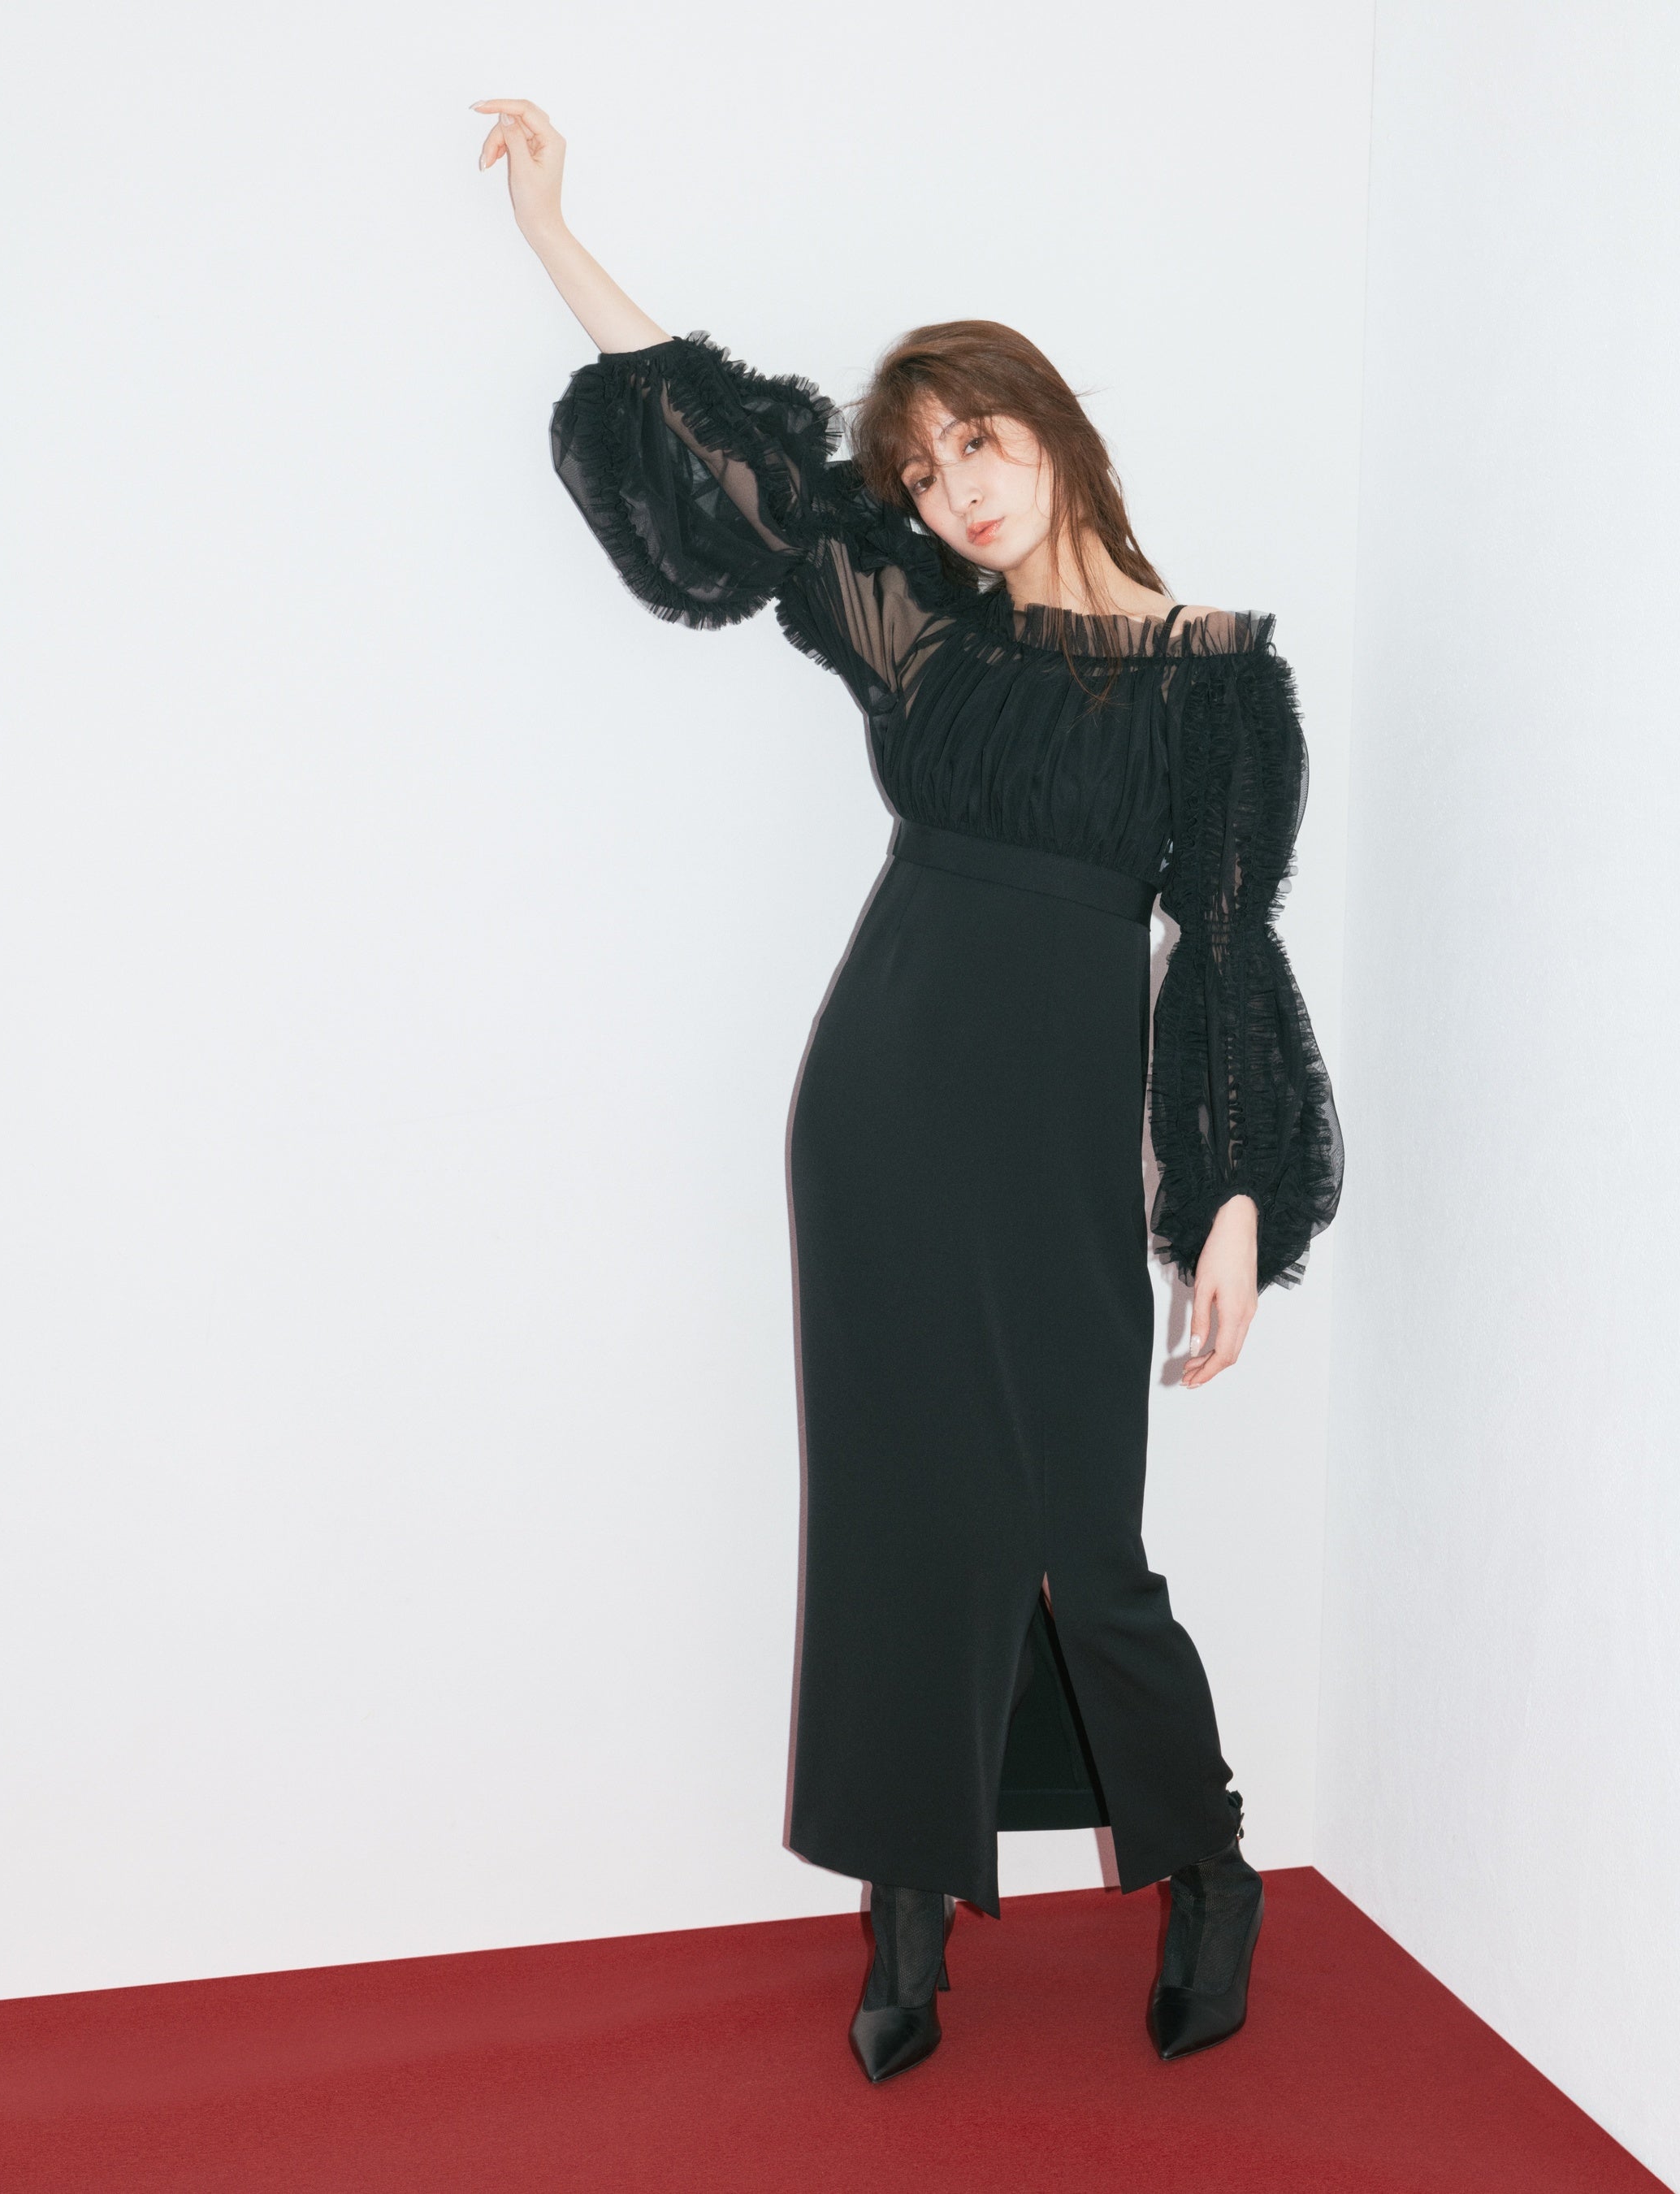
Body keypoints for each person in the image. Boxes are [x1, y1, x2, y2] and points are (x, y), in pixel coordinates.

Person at [474, 96, 1343, 2083]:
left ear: (1057, 435)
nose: (953, 490)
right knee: (896, 1518)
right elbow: (751, 473)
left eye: (980, 443)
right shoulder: (925, 630)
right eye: (927, 466)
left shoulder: (1221, 681)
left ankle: (1207, 1866)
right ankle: (905, 1905)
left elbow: (1226, 946)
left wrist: (1229, 1201)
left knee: (1084, 1542)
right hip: (877, 1106)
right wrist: (551, 231)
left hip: (1053, 1137)